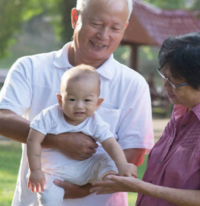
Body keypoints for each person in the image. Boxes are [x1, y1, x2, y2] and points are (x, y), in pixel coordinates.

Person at [0, 0, 154, 206]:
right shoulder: (31, 67)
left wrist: (84, 189)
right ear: (75, 17)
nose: (104, 35)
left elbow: (135, 152)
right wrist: (57, 140)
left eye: (115, 28)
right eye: (96, 23)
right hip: (36, 199)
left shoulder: (132, 84)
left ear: (124, 28)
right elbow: (1, 121)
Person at [91, 32, 200, 206]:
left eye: (175, 82)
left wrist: (143, 187)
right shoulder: (184, 107)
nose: (165, 85)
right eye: (165, 76)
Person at [27, 65, 137, 206]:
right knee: (48, 195)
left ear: (98, 103)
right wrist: (35, 170)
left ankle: (110, 177)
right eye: (72, 99)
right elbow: (33, 141)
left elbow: (110, 143)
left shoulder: (94, 121)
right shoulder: (49, 116)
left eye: (87, 100)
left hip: (86, 168)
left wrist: (122, 165)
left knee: (105, 158)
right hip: (53, 172)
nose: (79, 106)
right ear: (61, 100)